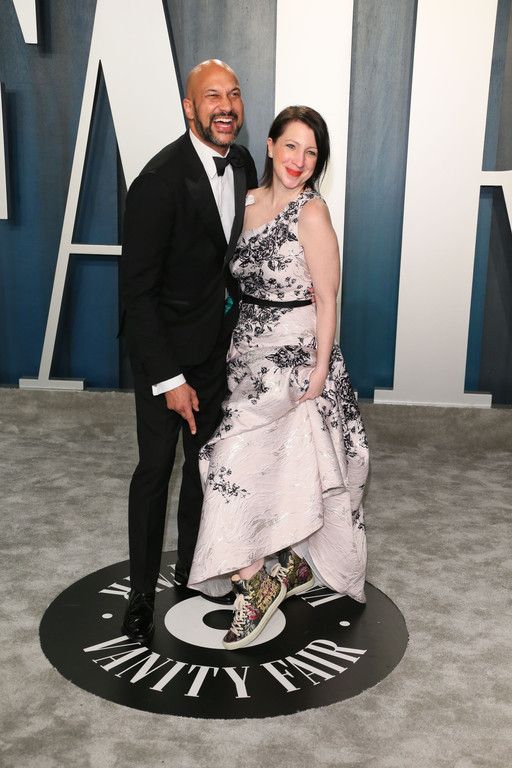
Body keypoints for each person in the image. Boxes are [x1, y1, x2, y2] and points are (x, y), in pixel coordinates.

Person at [188, 106, 369, 650]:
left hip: (296, 355)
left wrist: (320, 367)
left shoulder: (311, 212)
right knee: (269, 465)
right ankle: (280, 566)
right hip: (246, 350)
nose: (299, 160)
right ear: (269, 145)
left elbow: (328, 298)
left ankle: (257, 582)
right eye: (291, 146)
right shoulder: (243, 202)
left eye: (311, 152)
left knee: (230, 459)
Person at [119, 59, 258, 643]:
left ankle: (194, 567)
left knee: (205, 468)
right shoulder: (156, 182)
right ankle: (140, 595)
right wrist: (170, 379)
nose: (225, 106)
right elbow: (137, 295)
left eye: (233, 94)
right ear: (189, 107)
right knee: (156, 471)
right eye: (212, 96)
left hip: (214, 351)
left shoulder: (243, 164)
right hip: (164, 357)